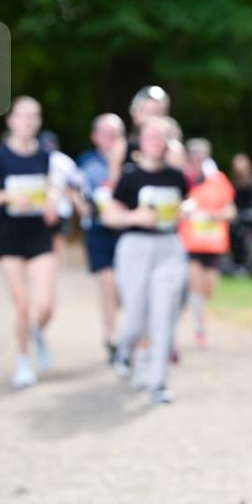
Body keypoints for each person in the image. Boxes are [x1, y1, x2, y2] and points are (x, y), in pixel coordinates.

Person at [0, 96, 60, 388]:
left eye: (34, 116)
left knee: (45, 305)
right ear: (11, 120)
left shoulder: (46, 156)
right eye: (23, 116)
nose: (28, 122)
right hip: (8, 237)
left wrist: (51, 203)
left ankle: (35, 333)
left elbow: (52, 190)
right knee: (22, 304)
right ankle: (23, 361)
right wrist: (6, 196)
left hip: (38, 236)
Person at [103, 116, 188, 405]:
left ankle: (158, 381)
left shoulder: (176, 177)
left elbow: (185, 203)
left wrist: (184, 210)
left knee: (163, 315)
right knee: (136, 317)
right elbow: (109, 215)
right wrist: (134, 217)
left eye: (162, 137)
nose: (156, 142)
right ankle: (124, 350)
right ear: (140, 141)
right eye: (150, 136)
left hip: (169, 247)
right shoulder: (130, 177)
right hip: (135, 247)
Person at [77, 113, 126, 361]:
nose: (111, 139)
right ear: (95, 136)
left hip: (126, 232)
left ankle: (121, 333)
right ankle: (111, 337)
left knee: (121, 291)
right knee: (107, 285)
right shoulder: (87, 163)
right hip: (98, 231)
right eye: (106, 133)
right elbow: (76, 190)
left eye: (116, 134)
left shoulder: (132, 160)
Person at [179, 138, 236, 346]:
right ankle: (199, 328)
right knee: (195, 285)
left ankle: (194, 312)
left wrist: (214, 215)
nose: (197, 157)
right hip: (190, 243)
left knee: (208, 289)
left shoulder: (218, 179)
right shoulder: (184, 179)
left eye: (201, 153)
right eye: (193, 153)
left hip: (213, 243)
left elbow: (231, 211)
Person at [39, 130, 83, 266]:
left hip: (47, 208)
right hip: (60, 208)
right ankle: (53, 270)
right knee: (58, 242)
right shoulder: (64, 160)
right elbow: (76, 185)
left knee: (45, 243)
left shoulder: (37, 158)